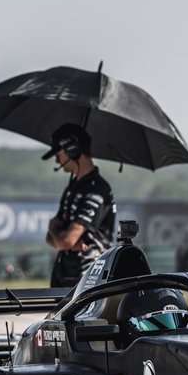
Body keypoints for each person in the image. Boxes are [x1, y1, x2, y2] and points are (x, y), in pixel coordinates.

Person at [42, 123, 116, 287]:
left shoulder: (97, 189)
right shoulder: (71, 188)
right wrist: (59, 235)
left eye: (58, 153)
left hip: (88, 282)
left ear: (72, 149)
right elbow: (51, 239)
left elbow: (65, 240)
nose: (56, 159)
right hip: (64, 277)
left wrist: (56, 229)